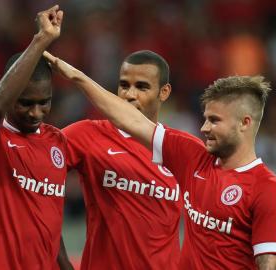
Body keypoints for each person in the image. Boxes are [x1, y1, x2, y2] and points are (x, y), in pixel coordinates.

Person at [43, 51, 276, 270]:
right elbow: (131, 121)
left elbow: (269, 263)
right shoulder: (192, 157)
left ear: (244, 123)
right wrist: (76, 76)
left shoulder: (264, 187)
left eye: (214, 120)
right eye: (205, 119)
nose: (204, 128)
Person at [0, 6, 73, 269]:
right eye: (25, 103)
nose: (36, 112)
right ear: (11, 95)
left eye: (44, 102)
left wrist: (66, 265)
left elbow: (49, 215)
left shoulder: (56, 141)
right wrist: (42, 39)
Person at [62, 50, 193, 269]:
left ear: (164, 92)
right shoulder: (86, 135)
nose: (130, 94)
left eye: (142, 87)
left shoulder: (181, 150)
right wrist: (62, 260)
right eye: (124, 85)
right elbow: (37, 173)